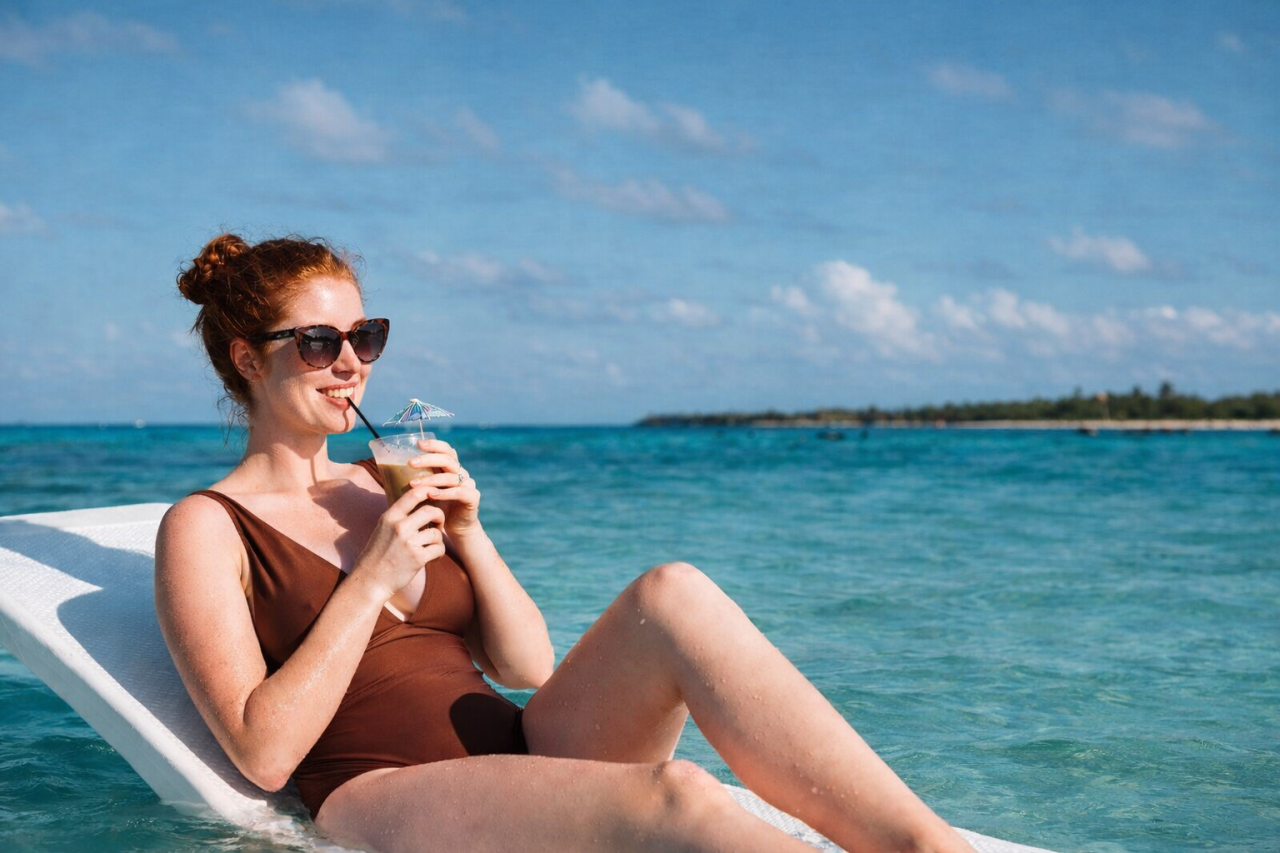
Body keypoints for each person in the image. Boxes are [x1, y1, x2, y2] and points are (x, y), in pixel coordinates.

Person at [156, 233, 973, 853]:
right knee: (680, 797)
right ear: (246, 359)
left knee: (672, 591)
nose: (351, 365)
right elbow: (262, 752)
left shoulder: (384, 480)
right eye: (319, 343)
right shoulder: (206, 525)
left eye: (363, 338)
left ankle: (920, 844)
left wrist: (471, 536)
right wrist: (369, 581)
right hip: (383, 790)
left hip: (516, 750)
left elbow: (526, 667)